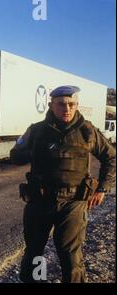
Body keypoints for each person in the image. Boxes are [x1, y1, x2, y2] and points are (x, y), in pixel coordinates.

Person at [10, 85, 116, 283]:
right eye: (61, 104)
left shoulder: (88, 131)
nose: (66, 109)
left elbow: (111, 158)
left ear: (77, 105)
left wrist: (102, 188)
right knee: (35, 250)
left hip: (73, 202)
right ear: (51, 105)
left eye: (71, 104)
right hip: (39, 200)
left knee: (69, 253)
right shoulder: (36, 130)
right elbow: (15, 157)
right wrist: (25, 147)